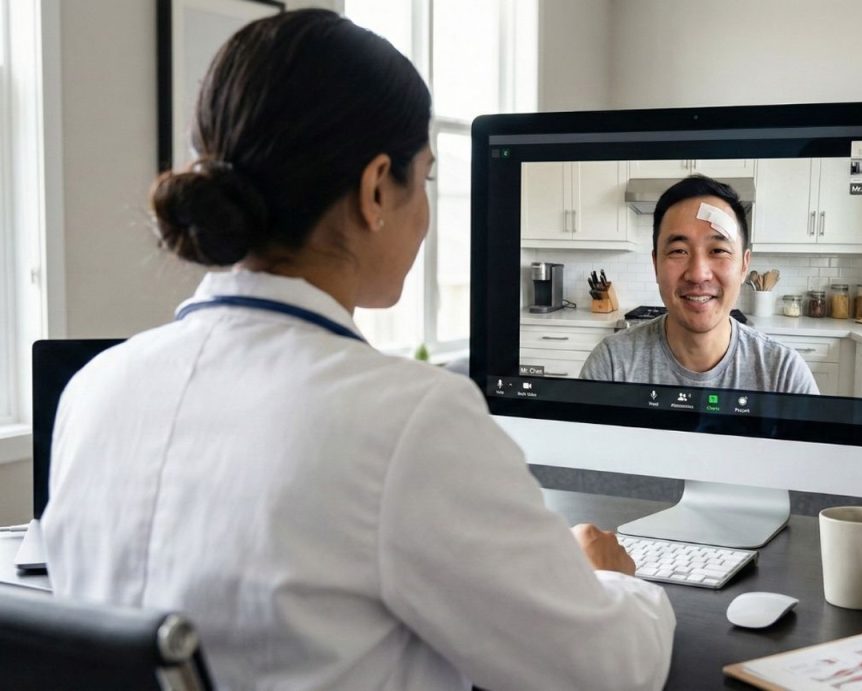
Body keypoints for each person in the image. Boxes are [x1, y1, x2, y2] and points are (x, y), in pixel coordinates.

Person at [41, 11, 674, 691]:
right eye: (425, 179)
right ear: (376, 190)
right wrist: (609, 579)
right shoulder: (407, 420)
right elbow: (607, 669)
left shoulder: (95, 389)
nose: (425, 213)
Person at [579, 175, 818, 394]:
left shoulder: (784, 376)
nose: (697, 274)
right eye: (678, 251)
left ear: (744, 265)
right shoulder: (610, 366)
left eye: (718, 250)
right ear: (655, 264)